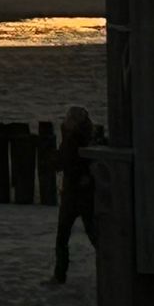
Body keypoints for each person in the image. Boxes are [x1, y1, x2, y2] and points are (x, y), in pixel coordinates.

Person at [50, 106, 98, 283]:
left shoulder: (72, 139)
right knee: (93, 234)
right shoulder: (90, 138)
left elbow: (64, 161)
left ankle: (59, 275)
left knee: (63, 236)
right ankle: (109, 269)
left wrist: (53, 161)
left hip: (73, 194)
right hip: (84, 193)